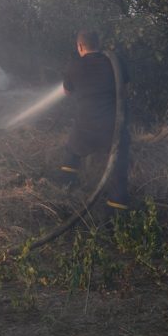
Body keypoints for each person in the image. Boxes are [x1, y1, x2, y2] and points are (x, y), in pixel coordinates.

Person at [59, 29, 130, 211]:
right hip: (112, 127)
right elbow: (125, 91)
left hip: (84, 127)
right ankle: (116, 217)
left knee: (71, 154)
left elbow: (67, 92)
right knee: (118, 169)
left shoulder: (73, 65)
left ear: (80, 46)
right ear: (98, 44)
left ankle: (64, 197)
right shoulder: (116, 62)